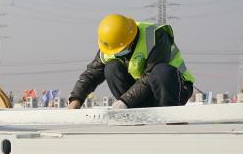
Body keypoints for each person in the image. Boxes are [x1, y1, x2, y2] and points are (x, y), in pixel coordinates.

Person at [67, 14, 195, 110]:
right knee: (111, 68)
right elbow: (91, 74)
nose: (116, 53)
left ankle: (171, 115)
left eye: (120, 49)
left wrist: (125, 101)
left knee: (161, 71)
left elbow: (150, 75)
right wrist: (76, 99)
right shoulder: (111, 44)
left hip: (175, 89)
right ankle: (133, 113)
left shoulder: (156, 35)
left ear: (131, 40)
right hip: (141, 96)